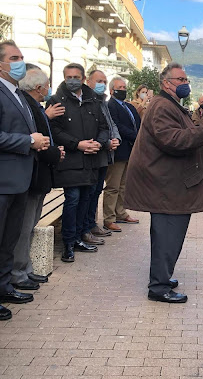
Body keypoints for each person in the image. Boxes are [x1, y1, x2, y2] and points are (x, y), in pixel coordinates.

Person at [124, 62, 203, 304]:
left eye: (186, 79)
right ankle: (158, 287)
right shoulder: (162, 106)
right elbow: (173, 140)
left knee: (169, 235)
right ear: (166, 83)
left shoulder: (168, 104)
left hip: (169, 184)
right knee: (167, 236)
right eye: (181, 79)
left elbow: (180, 133)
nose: (185, 83)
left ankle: (163, 276)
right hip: (165, 185)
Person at [0, 41, 49, 320]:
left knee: (10, 239)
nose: (20, 62)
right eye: (13, 58)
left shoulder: (17, 94)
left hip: (21, 180)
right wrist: (28, 141)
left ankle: (4, 286)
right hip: (1, 181)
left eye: (21, 57)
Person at [48, 64, 110, 263]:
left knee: (86, 198)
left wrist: (98, 144)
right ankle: (68, 242)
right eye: (68, 76)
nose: (72, 79)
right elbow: (54, 130)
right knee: (73, 199)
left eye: (76, 76)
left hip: (91, 158)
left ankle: (78, 238)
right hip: (71, 160)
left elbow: (103, 126)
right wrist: (78, 144)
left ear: (83, 79)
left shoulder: (93, 100)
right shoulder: (57, 100)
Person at [12, 68, 64, 288]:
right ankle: (19, 272)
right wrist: (55, 153)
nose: (48, 88)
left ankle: (26, 268)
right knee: (24, 228)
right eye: (46, 84)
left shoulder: (34, 106)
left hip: (39, 176)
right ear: (38, 87)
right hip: (32, 175)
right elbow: (37, 141)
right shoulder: (28, 106)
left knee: (30, 225)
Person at [85, 69, 121, 237]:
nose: (102, 85)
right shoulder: (87, 101)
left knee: (97, 191)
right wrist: (106, 142)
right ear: (88, 81)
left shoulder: (103, 102)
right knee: (90, 193)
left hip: (104, 155)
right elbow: (93, 128)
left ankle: (91, 225)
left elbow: (110, 124)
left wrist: (116, 139)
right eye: (99, 81)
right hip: (92, 154)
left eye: (105, 82)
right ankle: (86, 227)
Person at [104, 76, 141, 228]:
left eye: (125, 88)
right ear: (112, 90)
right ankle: (109, 218)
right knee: (113, 185)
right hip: (118, 150)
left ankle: (121, 212)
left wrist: (139, 135)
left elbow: (137, 123)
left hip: (130, 150)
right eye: (120, 88)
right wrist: (135, 135)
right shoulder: (110, 106)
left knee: (123, 185)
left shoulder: (129, 106)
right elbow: (116, 125)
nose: (123, 90)